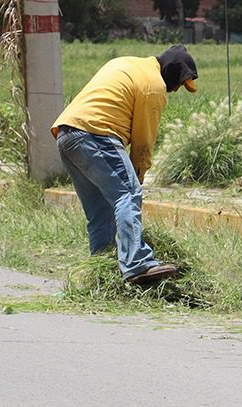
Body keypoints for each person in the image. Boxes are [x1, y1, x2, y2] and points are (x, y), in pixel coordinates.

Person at [53, 44, 198, 286]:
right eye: (179, 84)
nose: (174, 90)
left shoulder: (128, 63)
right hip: (96, 134)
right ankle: (136, 262)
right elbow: (143, 141)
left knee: (101, 211)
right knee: (128, 194)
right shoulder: (154, 87)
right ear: (172, 74)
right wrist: (137, 176)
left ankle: (101, 272)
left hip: (67, 135)